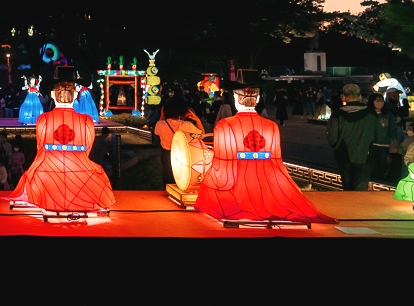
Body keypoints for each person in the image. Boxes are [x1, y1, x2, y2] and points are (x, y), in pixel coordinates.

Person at [196, 79, 337, 224]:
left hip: (234, 186)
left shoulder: (224, 125)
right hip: (267, 185)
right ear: (257, 99)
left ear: (236, 99)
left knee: (210, 184)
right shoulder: (271, 126)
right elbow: (277, 163)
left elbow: (221, 165)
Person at [7, 66, 115, 213]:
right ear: (76, 93)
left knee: (35, 175)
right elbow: (87, 148)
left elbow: (40, 149)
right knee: (95, 178)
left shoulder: (43, 119)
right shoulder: (86, 120)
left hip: (48, 171)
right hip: (80, 169)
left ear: (52, 94)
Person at [327, 84, 383, 191]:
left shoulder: (337, 114)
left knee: (347, 188)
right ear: (360, 97)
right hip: (365, 156)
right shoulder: (371, 114)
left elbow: (332, 140)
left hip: (344, 156)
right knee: (361, 189)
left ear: (343, 97)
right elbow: (379, 136)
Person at [154, 97, 205, 189]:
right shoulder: (186, 125)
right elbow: (202, 135)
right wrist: (197, 120)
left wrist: (162, 115)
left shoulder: (160, 125)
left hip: (166, 154)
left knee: (168, 177)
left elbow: (156, 132)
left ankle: (168, 193)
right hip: (183, 155)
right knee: (182, 178)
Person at [367, 92, 398, 181]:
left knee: (381, 168)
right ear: (372, 101)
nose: (380, 103)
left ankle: (378, 186)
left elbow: (393, 130)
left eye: (381, 101)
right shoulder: (368, 114)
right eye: (377, 101)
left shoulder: (388, 115)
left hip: (384, 146)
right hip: (371, 145)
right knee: (371, 168)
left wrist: (394, 143)